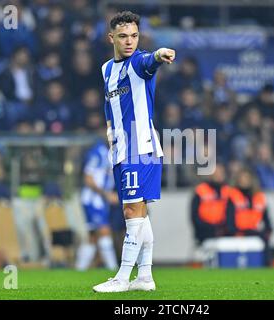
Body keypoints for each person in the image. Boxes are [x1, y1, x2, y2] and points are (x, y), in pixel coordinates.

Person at [92, 11, 175, 293]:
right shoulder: (106, 69)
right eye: (124, 36)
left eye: (135, 36)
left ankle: (122, 278)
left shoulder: (139, 63)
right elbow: (109, 105)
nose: (130, 42)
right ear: (111, 38)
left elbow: (150, 60)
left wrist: (160, 53)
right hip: (121, 150)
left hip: (140, 149)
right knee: (139, 211)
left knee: (131, 211)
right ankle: (146, 277)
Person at [76, 130, 119, 271]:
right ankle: (113, 269)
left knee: (93, 237)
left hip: (100, 201)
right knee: (104, 231)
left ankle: (79, 269)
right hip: (93, 200)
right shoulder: (97, 153)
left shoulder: (111, 152)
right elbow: (88, 178)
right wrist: (106, 194)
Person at [226, 168, 272, 265]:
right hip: (239, 232)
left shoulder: (259, 197)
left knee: (264, 239)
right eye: (242, 178)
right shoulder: (233, 195)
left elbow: (266, 219)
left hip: (255, 231)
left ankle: (266, 265)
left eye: (247, 178)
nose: (244, 180)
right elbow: (229, 218)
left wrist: (268, 230)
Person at [191, 164, 230, 244]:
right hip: (204, 232)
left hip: (224, 231)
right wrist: (206, 228)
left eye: (220, 173)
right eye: (216, 173)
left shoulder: (228, 191)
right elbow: (194, 215)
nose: (218, 175)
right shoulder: (201, 190)